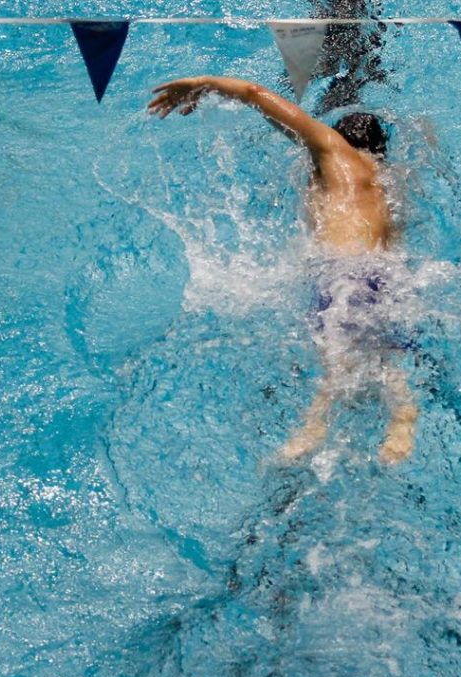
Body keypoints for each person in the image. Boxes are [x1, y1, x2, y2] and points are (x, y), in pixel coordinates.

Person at [148, 76, 417, 465]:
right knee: (382, 350)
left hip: (342, 271)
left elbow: (257, 94)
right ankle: (400, 415)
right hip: (385, 273)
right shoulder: (386, 182)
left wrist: (206, 83)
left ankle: (315, 429)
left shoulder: (333, 150)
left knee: (334, 356)